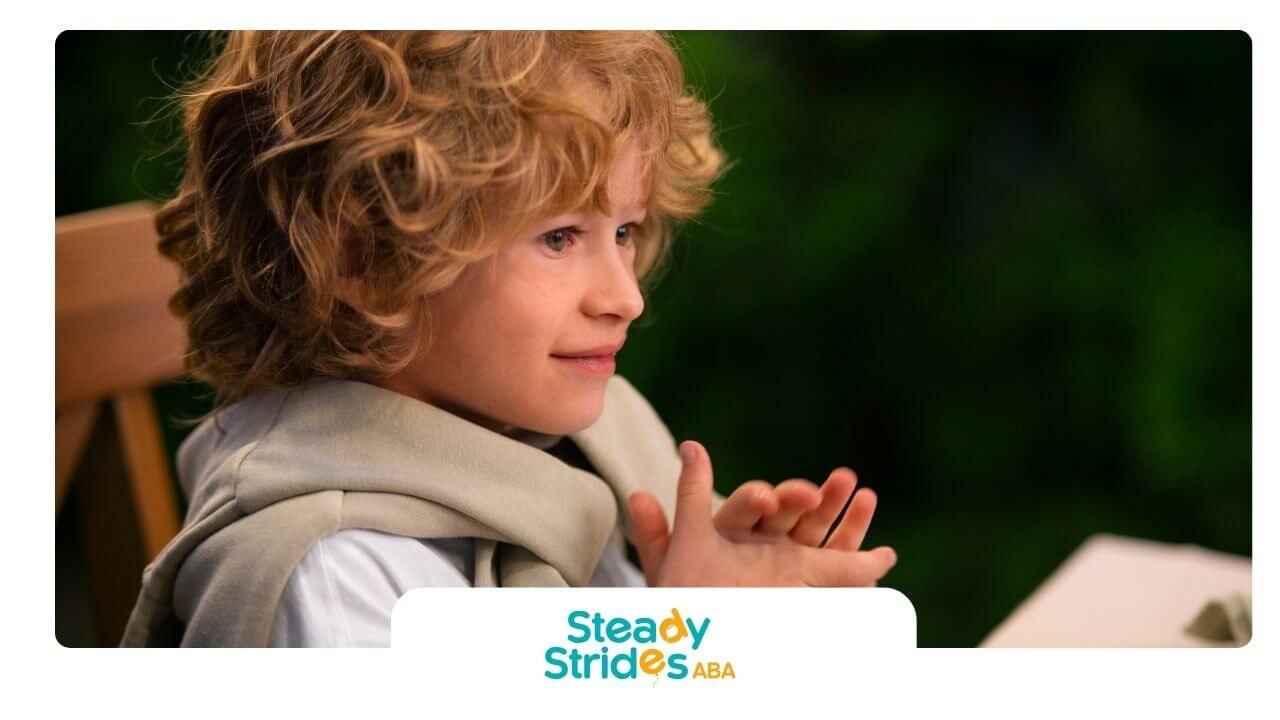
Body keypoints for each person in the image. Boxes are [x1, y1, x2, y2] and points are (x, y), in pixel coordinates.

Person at [120, 30, 898, 648]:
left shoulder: (567, 457)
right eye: (558, 237)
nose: (624, 298)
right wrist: (677, 661)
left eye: (623, 230)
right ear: (362, 257)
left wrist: (704, 632)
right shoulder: (335, 581)